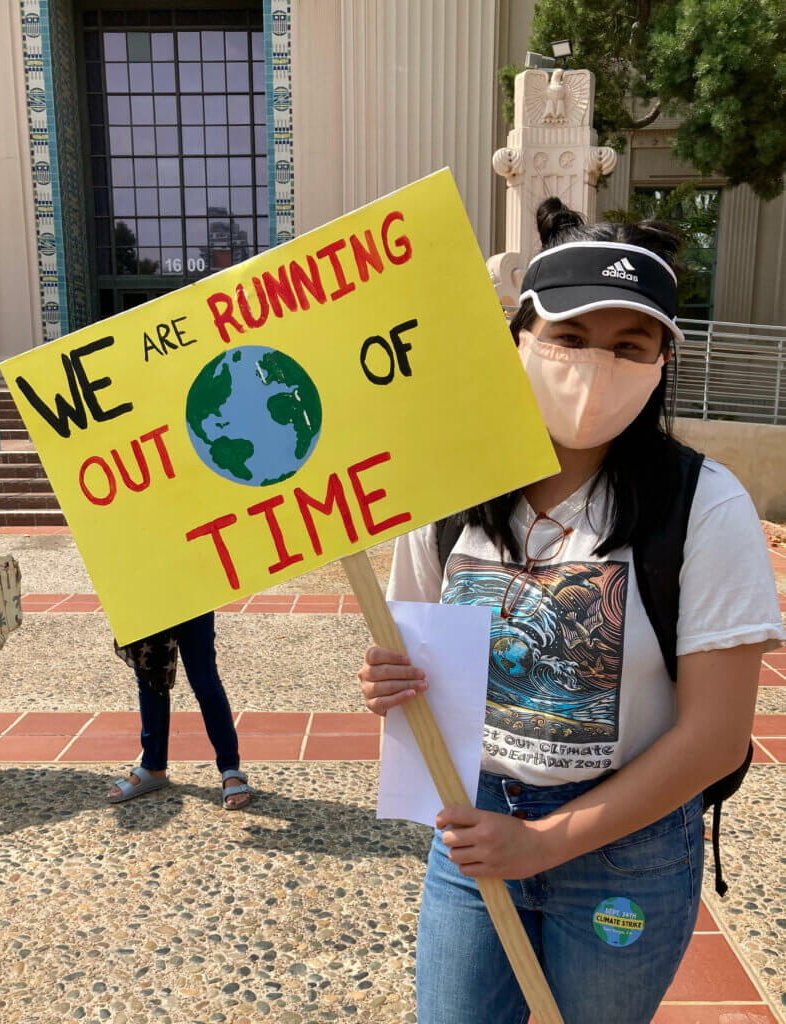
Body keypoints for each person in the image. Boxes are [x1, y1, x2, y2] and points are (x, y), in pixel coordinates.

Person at [358, 198, 785, 1024]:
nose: (597, 366)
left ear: (664, 360)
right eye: (571, 336)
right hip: (476, 828)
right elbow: (421, 661)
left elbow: (716, 738)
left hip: (630, 852)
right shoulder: (444, 492)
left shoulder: (706, 506)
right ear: (521, 338)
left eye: (630, 346)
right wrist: (389, 681)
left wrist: (547, 845)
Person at [108, 611, 253, 809]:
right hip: (142, 589)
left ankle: (230, 768)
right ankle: (153, 766)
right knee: (149, 674)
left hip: (190, 587)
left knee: (204, 677)